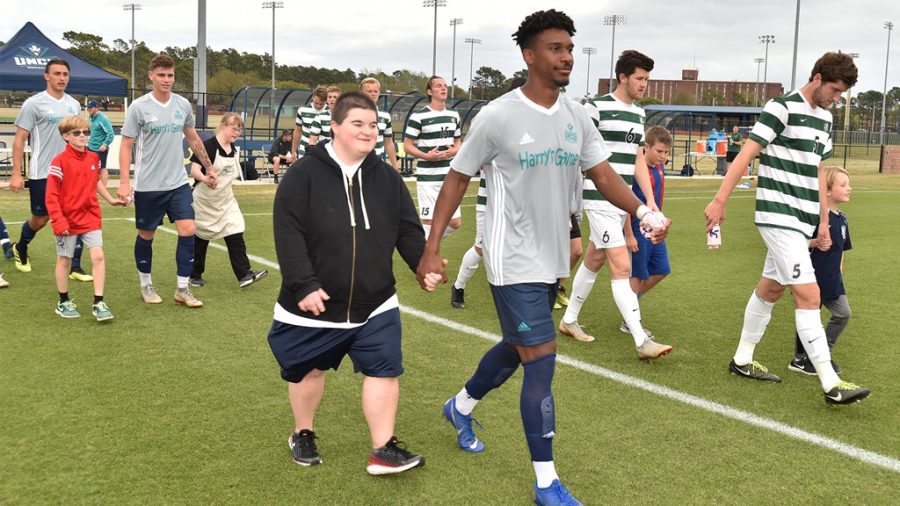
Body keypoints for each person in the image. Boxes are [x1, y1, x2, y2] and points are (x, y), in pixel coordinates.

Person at [415, 10, 670, 505]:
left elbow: (602, 173)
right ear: (530, 55)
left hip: (553, 256)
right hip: (510, 259)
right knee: (541, 361)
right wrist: (431, 247)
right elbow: (457, 176)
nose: (566, 56)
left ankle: (460, 406)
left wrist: (641, 210)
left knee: (517, 346)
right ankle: (546, 482)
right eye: (555, 48)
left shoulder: (577, 115)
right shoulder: (498, 115)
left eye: (569, 48)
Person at [268, 91, 440, 475]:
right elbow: (288, 232)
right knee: (308, 371)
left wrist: (421, 264)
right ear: (335, 127)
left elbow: (408, 231)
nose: (367, 131)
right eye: (357, 124)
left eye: (373, 124)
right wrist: (304, 284)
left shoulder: (386, 177)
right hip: (315, 301)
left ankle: (382, 450)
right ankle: (303, 431)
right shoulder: (304, 174)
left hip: (375, 301)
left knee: (385, 369)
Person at [704, 52, 869, 405]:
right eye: (835, 90)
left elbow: (818, 174)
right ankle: (830, 383)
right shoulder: (781, 107)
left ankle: (742, 359)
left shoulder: (824, 120)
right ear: (818, 77)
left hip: (805, 219)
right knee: (809, 296)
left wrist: (823, 222)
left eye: (841, 94)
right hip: (778, 216)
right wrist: (720, 201)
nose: (837, 99)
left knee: (771, 289)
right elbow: (745, 155)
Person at [558, 50, 673, 359]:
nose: (644, 84)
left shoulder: (639, 114)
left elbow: (638, 161)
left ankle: (568, 321)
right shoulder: (596, 107)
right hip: (598, 197)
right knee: (621, 265)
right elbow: (576, 148)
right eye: (639, 78)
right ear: (623, 77)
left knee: (594, 259)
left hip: (622, 201)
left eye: (647, 79)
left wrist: (647, 200)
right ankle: (641, 340)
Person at [117, 53, 216, 308]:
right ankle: (146, 284)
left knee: (188, 229)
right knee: (146, 234)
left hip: (178, 183)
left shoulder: (182, 105)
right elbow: (126, 145)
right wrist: (125, 181)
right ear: (150, 76)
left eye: (170, 75)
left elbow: (193, 138)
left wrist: (208, 167)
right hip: (148, 185)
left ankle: (183, 289)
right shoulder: (138, 107)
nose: (166, 80)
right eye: (161, 75)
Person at [9, 58, 92, 282]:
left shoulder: (74, 105)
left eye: (65, 74)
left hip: (71, 172)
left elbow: (79, 137)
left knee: (77, 214)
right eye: (57, 74)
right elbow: (19, 140)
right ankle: (21, 246)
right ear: (46, 76)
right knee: (41, 218)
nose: (62, 78)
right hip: (43, 172)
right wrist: (17, 173)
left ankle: (75, 266)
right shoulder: (33, 104)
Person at [450, 77, 526, 310]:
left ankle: (517, 297)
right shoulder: (492, 120)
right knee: (482, 248)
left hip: (520, 201)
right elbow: (477, 161)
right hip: (491, 199)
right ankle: (458, 286)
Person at [45, 116, 122, 320]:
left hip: (90, 216)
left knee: (98, 256)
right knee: (64, 260)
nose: (83, 136)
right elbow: (51, 195)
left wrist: (110, 199)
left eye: (86, 132)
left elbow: (95, 181)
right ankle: (63, 301)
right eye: (77, 133)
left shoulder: (93, 158)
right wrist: (58, 221)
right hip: (66, 219)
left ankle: (98, 302)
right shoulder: (58, 161)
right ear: (66, 136)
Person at [188, 112, 268, 288]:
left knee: (235, 231)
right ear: (223, 125)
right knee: (201, 237)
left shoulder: (233, 149)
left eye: (239, 130)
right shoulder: (208, 145)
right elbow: (194, 170)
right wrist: (205, 179)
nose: (237, 133)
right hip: (204, 201)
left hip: (226, 201)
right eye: (234, 128)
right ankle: (194, 274)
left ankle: (244, 274)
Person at [788, 166, 853, 376]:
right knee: (809, 316)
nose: (849, 188)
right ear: (826, 191)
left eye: (848, 184)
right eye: (843, 185)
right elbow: (796, 242)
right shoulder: (816, 217)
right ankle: (799, 359)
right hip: (811, 277)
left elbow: (842, 249)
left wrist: (839, 273)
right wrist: (815, 242)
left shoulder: (842, 219)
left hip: (833, 279)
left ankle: (821, 353)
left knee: (843, 314)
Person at [404, 76, 462, 239]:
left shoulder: (454, 115)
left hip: (449, 175)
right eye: (438, 86)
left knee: (455, 222)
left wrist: (454, 151)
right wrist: (426, 156)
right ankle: (426, 256)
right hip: (428, 178)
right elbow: (407, 146)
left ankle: (426, 247)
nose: (443, 88)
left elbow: (458, 142)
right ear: (429, 91)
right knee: (429, 222)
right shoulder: (418, 117)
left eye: (445, 85)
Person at [624, 126, 672, 306]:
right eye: (659, 151)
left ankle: (629, 305)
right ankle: (630, 318)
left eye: (666, 152)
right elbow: (625, 204)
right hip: (637, 228)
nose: (663, 156)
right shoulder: (635, 171)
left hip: (655, 228)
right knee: (638, 274)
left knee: (661, 269)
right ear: (646, 147)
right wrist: (629, 234)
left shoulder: (659, 167)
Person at [359, 77, 400, 169]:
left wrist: (395, 167)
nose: (373, 94)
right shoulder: (351, 113)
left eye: (375, 91)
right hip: (356, 165)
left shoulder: (385, 116)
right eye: (369, 91)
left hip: (377, 165)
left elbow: (388, 142)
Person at [292, 85, 328, 158]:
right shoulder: (302, 110)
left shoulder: (330, 112)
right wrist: (293, 151)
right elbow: (298, 131)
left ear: (326, 101)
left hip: (324, 152)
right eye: (316, 103)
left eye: (321, 104)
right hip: (304, 151)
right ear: (313, 97)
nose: (318, 106)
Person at [86, 100, 115, 169]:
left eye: (90, 107)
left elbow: (110, 134)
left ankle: (103, 180)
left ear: (96, 108)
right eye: (88, 107)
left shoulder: (103, 119)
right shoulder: (90, 117)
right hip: (90, 147)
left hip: (100, 149)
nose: (88, 109)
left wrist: (105, 144)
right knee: (89, 168)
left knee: (102, 169)